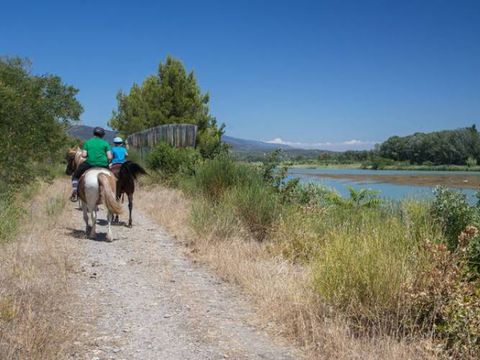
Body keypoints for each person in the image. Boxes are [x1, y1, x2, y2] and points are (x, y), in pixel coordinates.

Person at [70, 126, 112, 202]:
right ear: (102, 135)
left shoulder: (87, 142)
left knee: (75, 176)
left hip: (90, 164)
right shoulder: (106, 143)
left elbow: (83, 155)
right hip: (103, 165)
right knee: (112, 178)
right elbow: (109, 157)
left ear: (93, 133)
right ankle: (113, 193)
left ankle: (75, 192)